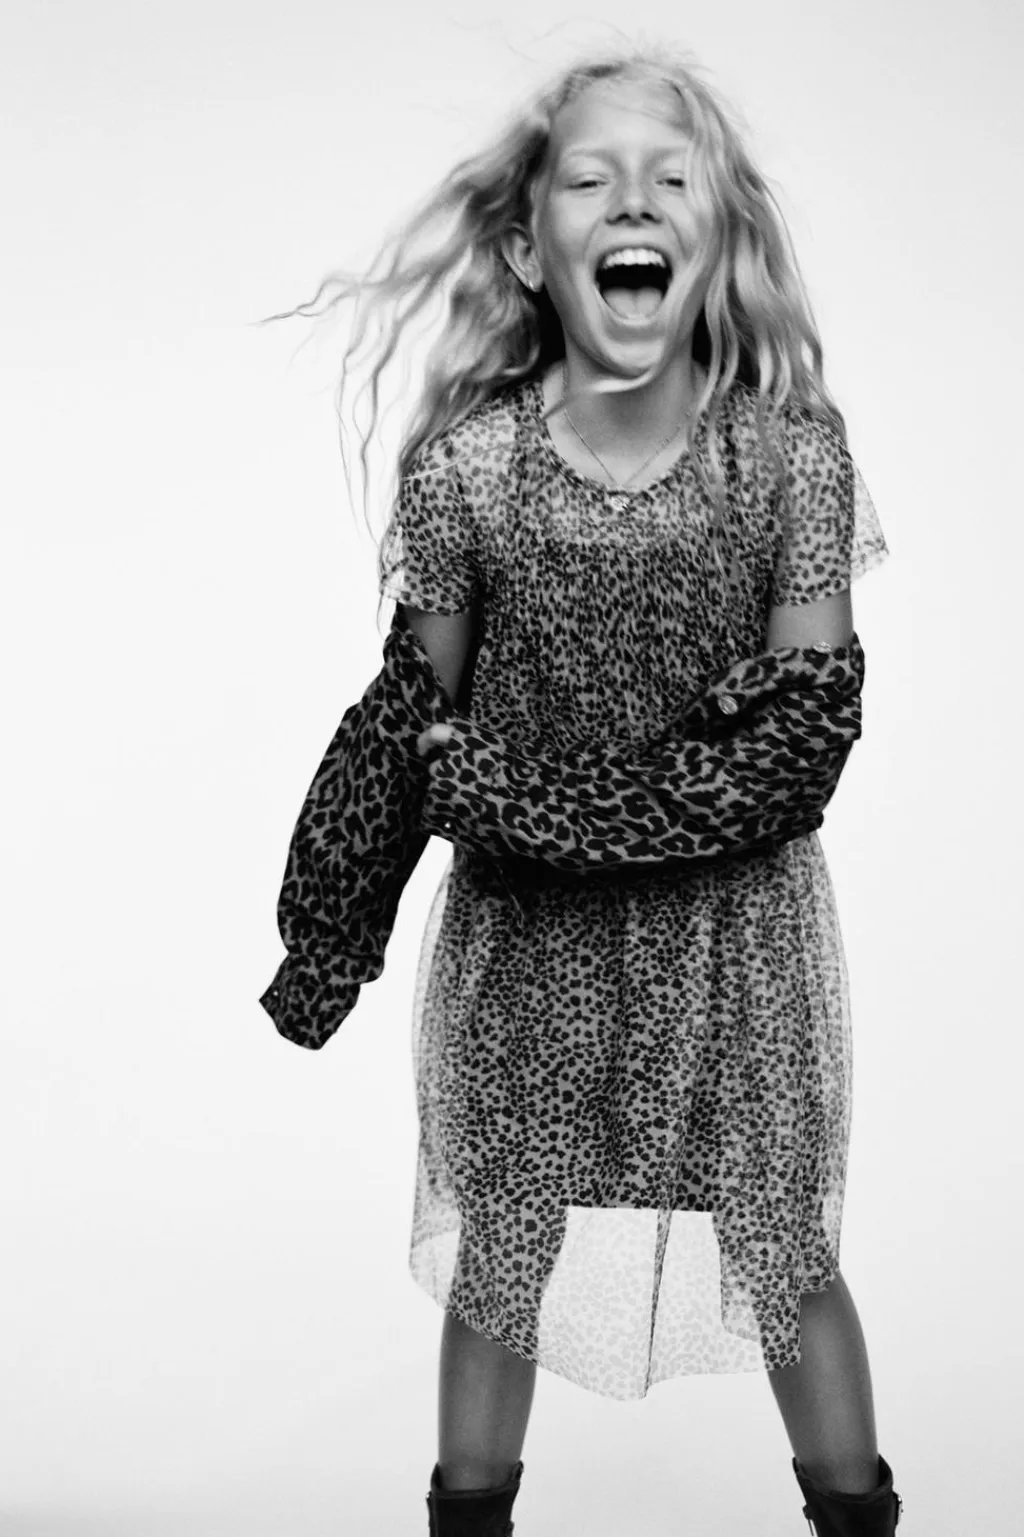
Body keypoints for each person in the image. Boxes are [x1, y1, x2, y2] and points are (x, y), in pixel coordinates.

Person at [265, 44, 901, 1537]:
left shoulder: (791, 469)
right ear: (525, 248)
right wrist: (330, 933)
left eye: (672, 178)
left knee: (784, 1249)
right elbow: (408, 719)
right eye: (592, 179)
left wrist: (539, 804)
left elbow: (799, 745)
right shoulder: (470, 475)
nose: (634, 201)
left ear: (717, 235)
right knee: (506, 1251)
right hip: (532, 953)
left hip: (734, 952)